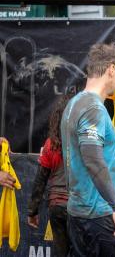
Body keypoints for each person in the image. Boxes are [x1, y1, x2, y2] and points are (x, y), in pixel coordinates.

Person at [61, 43, 115, 256]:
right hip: (97, 217)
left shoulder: (74, 103)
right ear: (112, 69)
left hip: (79, 213)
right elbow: (92, 159)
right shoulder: (93, 108)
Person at [27, 94, 72, 257]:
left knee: (60, 251)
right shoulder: (83, 142)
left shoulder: (50, 144)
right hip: (79, 206)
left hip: (56, 207)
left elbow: (40, 181)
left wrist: (32, 212)